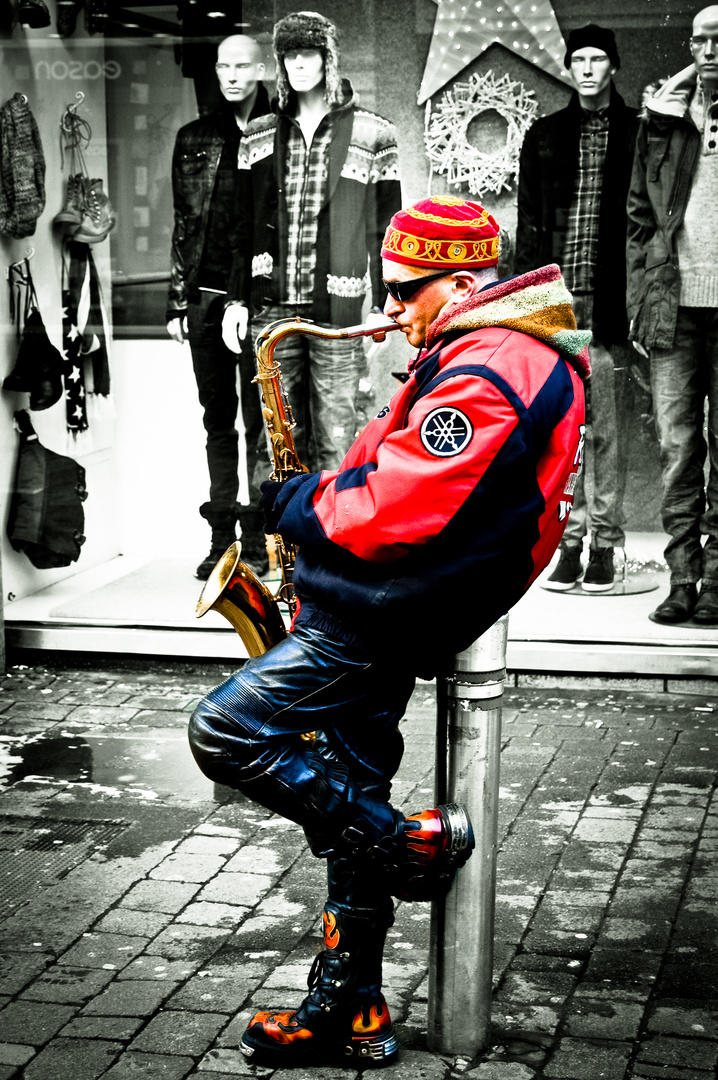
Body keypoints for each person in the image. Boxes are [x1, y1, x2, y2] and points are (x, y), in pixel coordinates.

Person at [188, 196, 589, 1068]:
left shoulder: (492, 368)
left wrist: (296, 504)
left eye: (407, 292)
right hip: (383, 600)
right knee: (338, 799)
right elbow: (398, 470)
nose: (391, 309)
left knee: (224, 730)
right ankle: (352, 1012)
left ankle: (405, 841)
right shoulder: (477, 350)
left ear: (465, 281)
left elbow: (398, 507)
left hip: (380, 612)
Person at [221, 10, 401, 473]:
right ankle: (282, 545)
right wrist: (236, 299)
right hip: (271, 306)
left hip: (338, 311)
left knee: (339, 434)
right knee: (279, 439)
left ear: (328, 59)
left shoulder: (373, 132)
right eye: (289, 55)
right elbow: (242, 223)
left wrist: (386, 305)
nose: (298, 64)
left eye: (309, 54)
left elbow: (386, 228)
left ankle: (336, 544)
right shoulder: (258, 132)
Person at [516, 24, 639, 592]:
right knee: (563, 429)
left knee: (607, 429)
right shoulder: (545, 134)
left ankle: (606, 547)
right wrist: (526, 301)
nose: (587, 68)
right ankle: (568, 542)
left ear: (612, 67)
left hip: (610, 301)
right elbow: (527, 222)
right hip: (556, 304)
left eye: (597, 59)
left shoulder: (638, 131)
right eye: (578, 59)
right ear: (569, 68)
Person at [627, 5, 718, 625]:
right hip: (673, 308)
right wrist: (640, 300)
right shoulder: (663, 122)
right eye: (700, 41)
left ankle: (717, 579)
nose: (709, 51)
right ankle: (682, 578)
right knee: (678, 447)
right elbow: (638, 217)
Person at [167, 35, 271, 580]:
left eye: (241, 66)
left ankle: (256, 539)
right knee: (217, 421)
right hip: (204, 299)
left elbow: (265, 228)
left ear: (260, 69)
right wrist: (176, 301)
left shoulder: (277, 133)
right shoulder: (194, 138)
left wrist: (249, 299)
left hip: (255, 298)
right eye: (223, 66)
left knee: (260, 420)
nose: (232, 75)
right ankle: (220, 538)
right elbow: (184, 225)